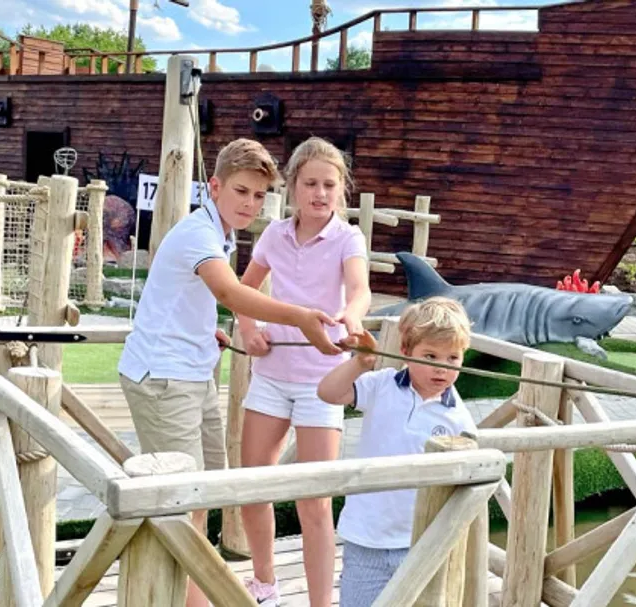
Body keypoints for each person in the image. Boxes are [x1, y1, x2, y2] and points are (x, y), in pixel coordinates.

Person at [117, 138, 341, 607]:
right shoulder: (199, 233)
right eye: (241, 191)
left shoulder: (223, 230)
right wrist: (301, 316)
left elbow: (191, 298)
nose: (250, 204)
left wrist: (207, 334)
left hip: (194, 371)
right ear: (214, 186)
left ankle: (195, 595)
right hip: (162, 376)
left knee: (205, 493)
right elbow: (230, 293)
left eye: (259, 196)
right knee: (183, 502)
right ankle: (195, 600)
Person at [237, 137, 371, 607]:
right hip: (271, 373)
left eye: (329, 185)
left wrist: (352, 317)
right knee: (253, 485)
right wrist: (249, 329)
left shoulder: (348, 238)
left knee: (314, 500)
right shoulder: (273, 234)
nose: (320, 193)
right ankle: (266, 586)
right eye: (310, 183)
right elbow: (243, 290)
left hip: (322, 381)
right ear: (292, 185)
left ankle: (320, 603)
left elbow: (359, 290)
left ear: (342, 189)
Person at [317, 297, 477, 607]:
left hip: (421, 541)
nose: (441, 368)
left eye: (452, 358)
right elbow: (328, 393)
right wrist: (359, 363)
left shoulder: (460, 419)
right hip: (367, 538)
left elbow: (468, 483)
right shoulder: (381, 386)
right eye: (430, 355)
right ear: (405, 351)